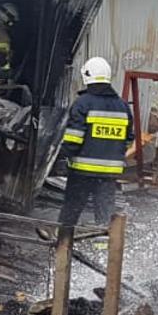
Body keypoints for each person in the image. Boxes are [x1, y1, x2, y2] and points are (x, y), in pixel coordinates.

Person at [56, 57, 134, 228]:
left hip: (82, 172)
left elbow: (74, 140)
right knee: (105, 216)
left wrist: (61, 157)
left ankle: (63, 241)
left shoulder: (83, 103)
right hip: (109, 174)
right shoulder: (123, 106)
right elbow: (128, 140)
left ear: (87, 76)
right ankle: (103, 242)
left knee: (71, 212)